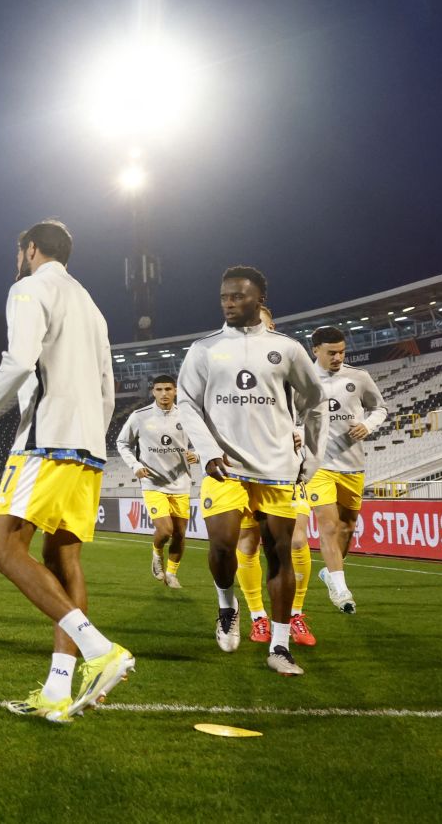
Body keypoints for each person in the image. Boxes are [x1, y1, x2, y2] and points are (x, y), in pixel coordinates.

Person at [0, 219, 132, 725]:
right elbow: (107, 385)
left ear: (30, 250)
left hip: (46, 442)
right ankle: (56, 689)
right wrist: (92, 435)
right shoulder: (91, 305)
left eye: (19, 250)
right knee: (62, 558)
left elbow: (18, 362)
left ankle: (101, 652)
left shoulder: (28, 289)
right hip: (88, 445)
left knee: (4, 550)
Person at [178, 267, 324, 676]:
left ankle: (280, 646)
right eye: (224, 296)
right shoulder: (204, 349)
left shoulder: (287, 349)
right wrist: (206, 450)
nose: (228, 302)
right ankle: (228, 606)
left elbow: (314, 402)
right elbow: (188, 403)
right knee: (223, 545)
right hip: (224, 468)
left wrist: (312, 455)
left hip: (277, 469)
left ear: (259, 299)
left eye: (238, 296)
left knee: (281, 553)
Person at [231, 304, 316, 646]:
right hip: (243, 469)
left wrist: (302, 434)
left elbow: (314, 406)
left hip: (285, 465)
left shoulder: (291, 360)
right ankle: (258, 617)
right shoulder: (228, 368)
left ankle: (294, 614)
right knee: (248, 542)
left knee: (295, 538)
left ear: (272, 326)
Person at [308, 326, 384, 614]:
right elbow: (288, 414)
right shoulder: (302, 379)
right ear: (315, 350)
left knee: (348, 527)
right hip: (319, 466)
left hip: (352, 465)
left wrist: (369, 425)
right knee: (328, 526)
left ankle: (331, 572)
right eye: (331, 352)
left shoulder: (359, 377)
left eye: (341, 351)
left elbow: (381, 409)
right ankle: (341, 590)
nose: (338, 357)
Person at [114, 375, 198, 588]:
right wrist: (135, 465)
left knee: (179, 534)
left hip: (181, 482)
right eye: (159, 389)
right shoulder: (139, 416)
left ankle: (171, 573)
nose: (164, 394)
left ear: (175, 391)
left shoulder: (187, 416)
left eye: (168, 389)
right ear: (153, 392)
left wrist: (196, 455)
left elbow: (202, 442)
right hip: (153, 483)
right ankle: (157, 554)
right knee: (165, 530)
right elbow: (122, 443)